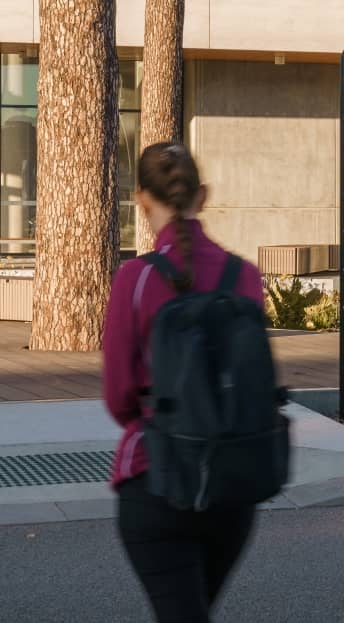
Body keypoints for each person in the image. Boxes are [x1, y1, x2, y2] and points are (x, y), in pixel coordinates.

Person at [103, 142, 264, 623]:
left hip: (157, 479)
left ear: (141, 199)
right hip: (233, 487)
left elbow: (118, 397)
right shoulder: (246, 276)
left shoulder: (134, 278)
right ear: (204, 196)